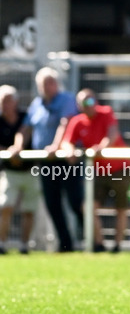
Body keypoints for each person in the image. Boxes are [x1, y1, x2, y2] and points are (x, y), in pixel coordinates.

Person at [15, 68, 82, 252]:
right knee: (52, 203)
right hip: (46, 162)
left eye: (50, 82)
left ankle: (91, 239)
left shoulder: (66, 99)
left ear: (56, 83)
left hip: (66, 160)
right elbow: (26, 128)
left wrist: (55, 146)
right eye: (43, 84)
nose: (47, 87)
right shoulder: (36, 104)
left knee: (76, 202)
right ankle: (65, 244)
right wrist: (18, 145)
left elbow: (65, 123)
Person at [60, 89, 130, 253]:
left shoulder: (106, 112)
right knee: (88, 207)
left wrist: (101, 148)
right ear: (78, 106)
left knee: (120, 208)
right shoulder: (77, 121)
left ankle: (117, 246)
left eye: (91, 101)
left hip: (119, 168)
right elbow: (66, 141)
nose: (88, 105)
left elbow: (112, 134)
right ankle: (99, 244)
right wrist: (69, 151)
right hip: (98, 171)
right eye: (84, 103)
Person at [0, 85, 41, 254]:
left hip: (30, 169)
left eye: (8, 100)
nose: (5, 104)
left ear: (16, 102)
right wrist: (9, 153)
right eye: (3, 101)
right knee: (5, 206)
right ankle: (2, 244)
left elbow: (24, 133)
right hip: (9, 172)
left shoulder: (26, 116)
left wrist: (18, 149)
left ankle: (25, 245)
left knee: (29, 210)